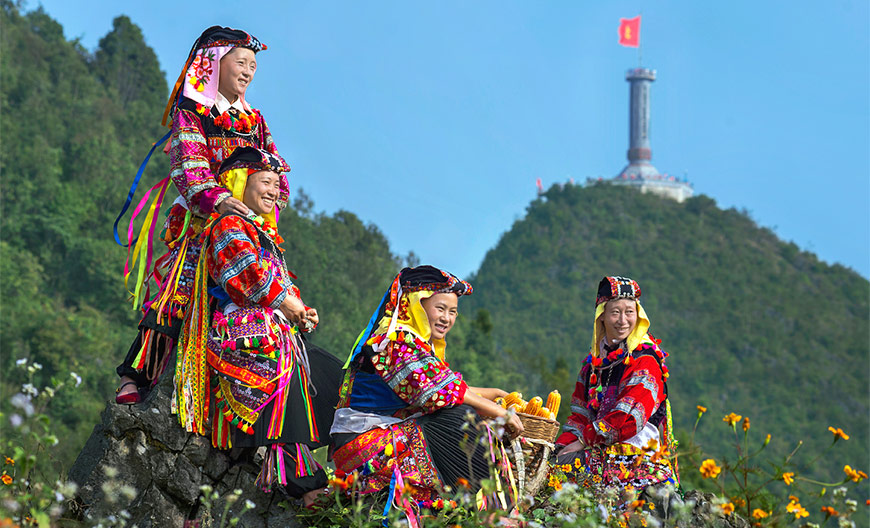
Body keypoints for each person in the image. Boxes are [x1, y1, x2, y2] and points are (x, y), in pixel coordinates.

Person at [116, 26, 286, 403]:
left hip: (250, 224)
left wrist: (272, 198)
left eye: (253, 66)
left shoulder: (254, 121)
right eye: (241, 62)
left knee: (252, 290)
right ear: (214, 64)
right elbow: (189, 165)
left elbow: (273, 165)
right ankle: (138, 376)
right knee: (177, 295)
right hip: (201, 220)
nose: (247, 72)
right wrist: (219, 200)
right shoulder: (192, 111)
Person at [174, 147, 343, 506]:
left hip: (276, 327)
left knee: (337, 379)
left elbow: (280, 285)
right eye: (265, 181)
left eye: (276, 184)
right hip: (242, 329)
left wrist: (301, 310)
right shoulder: (227, 225)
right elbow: (248, 276)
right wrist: (291, 306)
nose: (273, 190)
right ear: (240, 183)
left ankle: (347, 467)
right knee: (283, 359)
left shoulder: (261, 234)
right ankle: (299, 475)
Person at [330, 266, 523, 520]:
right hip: (360, 445)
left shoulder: (414, 341)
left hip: (383, 433)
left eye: (452, 312)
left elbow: (451, 386)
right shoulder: (392, 340)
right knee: (458, 417)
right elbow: (439, 393)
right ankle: (481, 510)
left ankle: (482, 506)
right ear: (415, 305)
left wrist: (498, 394)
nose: (447, 318)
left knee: (462, 412)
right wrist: (499, 411)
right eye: (440, 309)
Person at [554, 276, 681, 516]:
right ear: (601, 315)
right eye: (615, 312)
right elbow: (580, 413)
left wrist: (582, 442)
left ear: (638, 314)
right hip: (598, 447)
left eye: (629, 312)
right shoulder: (593, 364)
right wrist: (562, 443)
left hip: (638, 454)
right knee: (554, 466)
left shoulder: (645, 359)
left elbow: (629, 418)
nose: (623, 321)